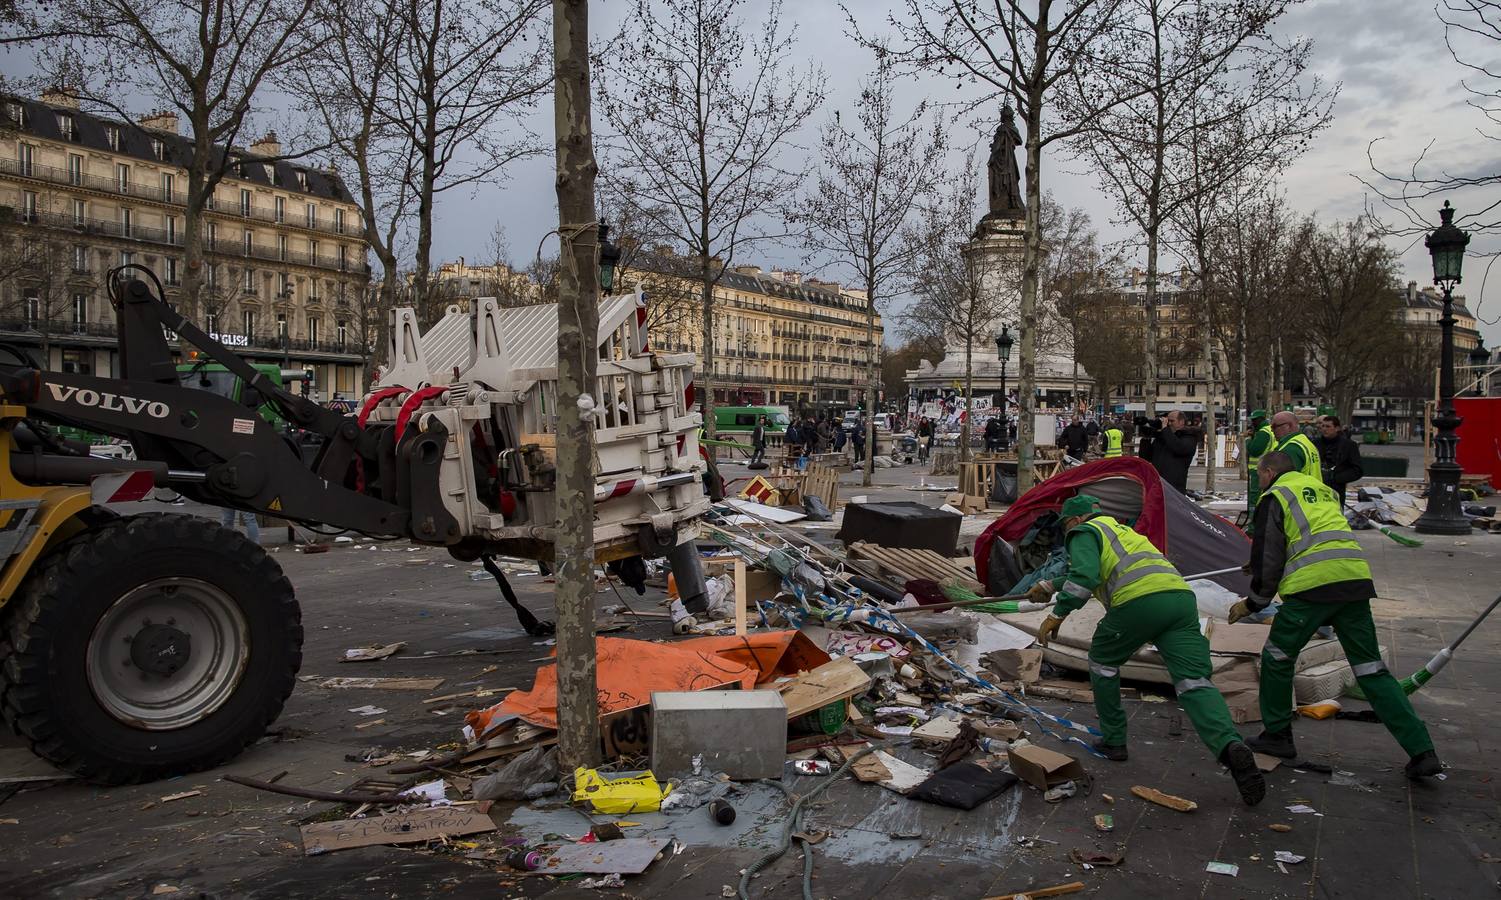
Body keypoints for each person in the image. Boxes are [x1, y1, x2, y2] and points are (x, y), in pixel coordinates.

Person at [1028, 495, 1266, 806]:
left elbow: (1084, 578)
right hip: (1180, 600)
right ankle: (1228, 745)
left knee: (1102, 661)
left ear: (1073, 521)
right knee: (1194, 682)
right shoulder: (1124, 532)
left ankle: (1114, 741)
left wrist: (1057, 614)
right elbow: (1098, 571)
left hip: (1139, 602)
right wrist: (1049, 585)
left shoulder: (1083, 533)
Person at [1230, 451, 1442, 779]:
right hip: (1353, 582)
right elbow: (1312, 540)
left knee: (1277, 658)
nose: (1259, 481)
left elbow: (1269, 556)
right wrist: (1263, 563)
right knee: (1371, 669)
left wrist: (1253, 603)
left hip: (1312, 589)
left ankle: (1277, 737)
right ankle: (1422, 751)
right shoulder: (1321, 491)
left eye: (1259, 475)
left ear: (1270, 472)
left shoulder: (1275, 495)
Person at [1315, 415, 1363, 505]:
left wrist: (1335, 477)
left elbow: (1357, 470)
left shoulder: (1349, 445)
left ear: (1337, 428)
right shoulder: (1314, 444)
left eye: (1328, 426)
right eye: (1323, 426)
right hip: (1316, 489)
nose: (1324, 429)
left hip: (1337, 490)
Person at [1151, 410, 1199, 494]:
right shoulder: (1164, 437)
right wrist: (1146, 439)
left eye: (1172, 421)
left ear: (1181, 422)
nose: (1169, 424)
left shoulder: (1189, 437)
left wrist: (1165, 430)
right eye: (1167, 421)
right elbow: (1146, 456)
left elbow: (1179, 448)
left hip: (1174, 487)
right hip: (1157, 483)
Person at [1270, 411, 1321, 480]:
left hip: (1298, 490)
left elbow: (1285, 480)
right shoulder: (1304, 441)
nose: (1272, 430)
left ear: (1288, 426)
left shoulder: (1290, 448)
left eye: (1274, 426)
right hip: (1312, 488)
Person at [1244, 409, 1274, 523]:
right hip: (1266, 468)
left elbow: (1255, 450)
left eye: (1254, 421)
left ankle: (1253, 523)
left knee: (1254, 497)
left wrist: (1248, 440)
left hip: (1258, 470)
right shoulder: (1269, 430)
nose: (1252, 423)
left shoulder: (1263, 433)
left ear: (1261, 420)